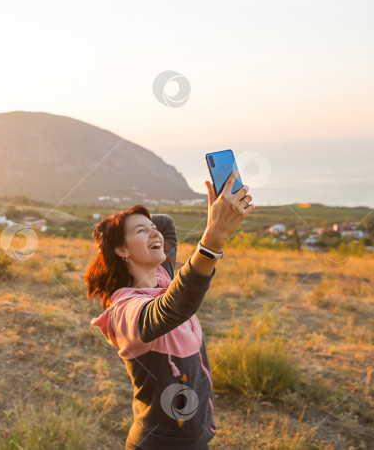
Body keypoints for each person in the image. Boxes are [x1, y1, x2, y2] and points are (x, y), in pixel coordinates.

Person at [85, 171, 253, 449]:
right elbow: (172, 309)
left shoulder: (162, 276)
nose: (154, 232)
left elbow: (166, 224)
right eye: (142, 231)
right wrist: (214, 237)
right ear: (122, 251)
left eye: (152, 228)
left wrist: (135, 223)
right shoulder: (124, 310)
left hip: (196, 436)